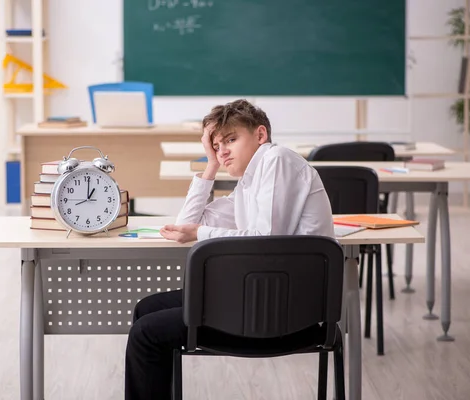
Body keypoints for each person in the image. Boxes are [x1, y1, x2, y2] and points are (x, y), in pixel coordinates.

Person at [124, 99, 334, 400]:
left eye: (231, 140)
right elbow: (187, 225)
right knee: (147, 309)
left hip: (287, 311)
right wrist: (210, 165)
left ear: (260, 136)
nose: (222, 151)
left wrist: (200, 233)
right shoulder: (248, 186)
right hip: (265, 296)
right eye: (216, 145)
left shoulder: (276, 159)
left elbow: (267, 240)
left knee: (147, 333)